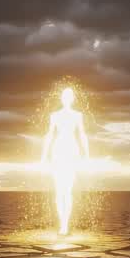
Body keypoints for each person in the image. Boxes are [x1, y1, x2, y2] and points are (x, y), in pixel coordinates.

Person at [40, 87, 89, 235]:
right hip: (58, 151)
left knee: (67, 191)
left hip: (71, 151)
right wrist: (43, 155)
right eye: (64, 96)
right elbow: (49, 134)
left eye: (69, 96)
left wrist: (87, 154)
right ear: (61, 98)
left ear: (73, 98)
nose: (67, 99)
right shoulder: (54, 115)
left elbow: (82, 134)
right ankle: (62, 221)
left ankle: (64, 224)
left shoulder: (78, 115)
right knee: (58, 191)